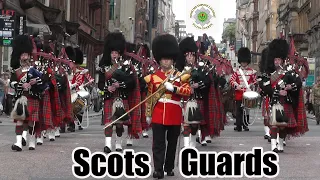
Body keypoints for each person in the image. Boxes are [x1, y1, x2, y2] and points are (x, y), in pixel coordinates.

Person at [144, 34, 191, 178]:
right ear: (159, 60)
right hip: (158, 113)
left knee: (172, 144)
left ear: (172, 59)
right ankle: (158, 169)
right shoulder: (153, 77)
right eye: (164, 59)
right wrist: (148, 114)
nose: (166, 61)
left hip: (174, 113)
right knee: (158, 144)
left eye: (169, 58)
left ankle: (169, 167)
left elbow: (187, 92)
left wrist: (175, 89)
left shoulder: (180, 76)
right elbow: (150, 97)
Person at [259, 39, 308, 152]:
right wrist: (277, 91)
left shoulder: (288, 73)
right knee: (274, 126)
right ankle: (273, 146)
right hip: (274, 102)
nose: (277, 62)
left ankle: (280, 144)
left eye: (278, 59)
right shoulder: (268, 75)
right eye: (275, 59)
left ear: (282, 60)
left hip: (286, 102)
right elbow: (265, 88)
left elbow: (298, 82)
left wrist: (290, 87)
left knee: (282, 127)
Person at [98, 32, 141, 153]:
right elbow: (100, 84)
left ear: (120, 53)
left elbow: (132, 83)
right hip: (109, 96)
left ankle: (118, 143)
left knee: (119, 124)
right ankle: (107, 145)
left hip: (121, 97)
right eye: (112, 53)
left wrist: (119, 85)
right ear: (109, 53)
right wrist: (107, 88)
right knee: (108, 123)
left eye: (116, 53)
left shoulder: (125, 66)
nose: (114, 55)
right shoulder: (103, 66)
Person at [10, 35, 45, 151]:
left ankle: (31, 140)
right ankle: (18, 143)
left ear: (29, 56)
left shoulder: (35, 70)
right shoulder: (16, 71)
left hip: (33, 97)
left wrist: (36, 81)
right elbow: (11, 83)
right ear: (19, 56)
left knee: (31, 122)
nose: (24, 57)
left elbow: (43, 83)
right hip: (21, 98)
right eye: (22, 54)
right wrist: (20, 85)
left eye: (26, 55)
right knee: (19, 120)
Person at [176, 36, 211, 147]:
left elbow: (207, 81)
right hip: (184, 98)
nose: (190, 58)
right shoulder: (180, 70)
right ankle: (187, 145)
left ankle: (193, 143)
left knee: (195, 123)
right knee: (186, 124)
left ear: (195, 56)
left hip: (197, 98)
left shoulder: (201, 68)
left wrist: (197, 85)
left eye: (192, 55)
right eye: (187, 56)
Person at [230, 47, 257, 131]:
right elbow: (232, 80)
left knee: (247, 110)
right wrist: (236, 85)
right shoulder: (237, 72)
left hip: (247, 93)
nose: (244, 63)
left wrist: (252, 85)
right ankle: (239, 125)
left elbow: (255, 81)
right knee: (239, 111)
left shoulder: (252, 71)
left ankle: (245, 124)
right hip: (239, 94)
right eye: (242, 62)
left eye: (245, 62)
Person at [68, 47, 95, 131]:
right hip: (70, 90)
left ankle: (79, 121)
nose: (69, 64)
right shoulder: (68, 71)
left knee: (79, 106)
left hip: (79, 89)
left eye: (71, 62)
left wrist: (84, 85)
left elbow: (91, 79)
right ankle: (71, 124)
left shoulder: (83, 70)